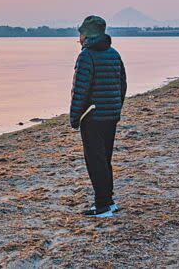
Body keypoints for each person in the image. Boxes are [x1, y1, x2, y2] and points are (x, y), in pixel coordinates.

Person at [70, 15, 127, 217]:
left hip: (92, 116)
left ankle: (102, 206)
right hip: (110, 116)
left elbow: (80, 90)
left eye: (81, 36)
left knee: (95, 162)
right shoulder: (114, 54)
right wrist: (116, 108)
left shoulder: (87, 56)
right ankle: (108, 202)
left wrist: (74, 117)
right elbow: (122, 85)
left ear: (86, 36)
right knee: (105, 160)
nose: (80, 40)